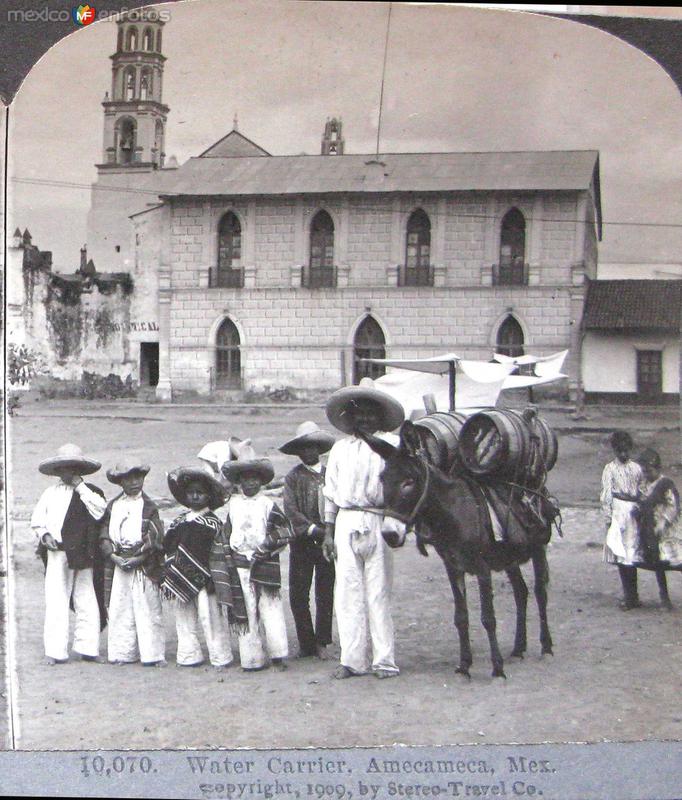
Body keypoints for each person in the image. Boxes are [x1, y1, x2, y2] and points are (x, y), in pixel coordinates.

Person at [322, 378, 405, 679]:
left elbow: (400, 487)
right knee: (347, 593)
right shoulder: (340, 449)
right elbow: (330, 493)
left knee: (378, 592)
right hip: (346, 519)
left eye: (371, 412)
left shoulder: (392, 447)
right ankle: (352, 660)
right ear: (351, 416)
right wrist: (329, 532)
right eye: (360, 413)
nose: (365, 418)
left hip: (377, 519)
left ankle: (384, 660)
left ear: (380, 416)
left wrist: (397, 524)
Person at [31, 443, 107, 665]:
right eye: (64, 469)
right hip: (58, 552)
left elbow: (100, 511)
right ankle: (55, 651)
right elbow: (38, 520)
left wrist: (81, 487)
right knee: (57, 600)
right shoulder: (50, 493)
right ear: (57, 471)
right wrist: (44, 535)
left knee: (87, 599)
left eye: (73, 469)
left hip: (83, 553)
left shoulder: (91, 492)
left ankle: (89, 648)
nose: (69, 473)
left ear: (80, 470)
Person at [222, 449, 293, 671]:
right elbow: (226, 533)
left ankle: (278, 654)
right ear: (238, 482)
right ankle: (252, 658)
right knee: (247, 609)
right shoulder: (233, 505)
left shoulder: (268, 505)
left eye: (254, 479)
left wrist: (266, 545)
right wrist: (230, 555)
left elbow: (284, 530)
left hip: (263, 561)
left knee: (270, 608)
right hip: (240, 563)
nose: (249, 483)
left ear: (261, 481)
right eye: (245, 479)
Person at [162, 466, 234, 669]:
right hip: (179, 578)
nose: (195, 497)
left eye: (200, 493)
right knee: (183, 619)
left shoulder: (213, 523)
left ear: (208, 496)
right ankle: (189, 655)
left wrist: (212, 576)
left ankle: (220, 656)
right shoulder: (179, 521)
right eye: (191, 493)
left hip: (206, 580)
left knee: (211, 618)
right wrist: (171, 569)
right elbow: (168, 545)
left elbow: (218, 552)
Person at [99, 460, 166, 666]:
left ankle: (153, 655)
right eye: (128, 479)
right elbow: (103, 534)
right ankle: (122, 653)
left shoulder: (149, 507)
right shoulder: (113, 506)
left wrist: (139, 558)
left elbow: (155, 536)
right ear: (120, 482)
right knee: (120, 608)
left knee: (148, 607)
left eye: (138, 477)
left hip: (142, 564)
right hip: (119, 563)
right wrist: (113, 556)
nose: (134, 482)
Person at [279, 421, 336, 659]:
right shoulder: (293, 478)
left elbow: (337, 503)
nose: (308, 452)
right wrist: (312, 529)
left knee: (325, 592)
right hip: (302, 542)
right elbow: (290, 511)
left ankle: (323, 641)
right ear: (298, 451)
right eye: (303, 448)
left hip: (327, 543)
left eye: (312, 447)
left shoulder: (331, 473)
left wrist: (330, 533)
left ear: (319, 449)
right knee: (299, 594)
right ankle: (306, 643)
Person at [632, 449, 682, 610]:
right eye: (644, 471)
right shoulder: (643, 485)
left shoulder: (665, 484)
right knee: (658, 564)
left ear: (658, 468)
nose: (647, 474)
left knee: (677, 562)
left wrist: (664, 521)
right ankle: (664, 597)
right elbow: (640, 501)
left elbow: (673, 505)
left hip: (666, 531)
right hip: (650, 532)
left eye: (650, 470)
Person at [600, 430, 644, 610]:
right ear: (615, 451)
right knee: (620, 555)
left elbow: (642, 490)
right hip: (618, 512)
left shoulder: (636, 468)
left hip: (632, 512)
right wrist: (608, 517)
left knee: (631, 556)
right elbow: (606, 494)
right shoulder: (610, 469)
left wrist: (641, 510)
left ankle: (633, 596)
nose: (624, 454)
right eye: (620, 451)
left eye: (627, 451)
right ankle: (628, 595)